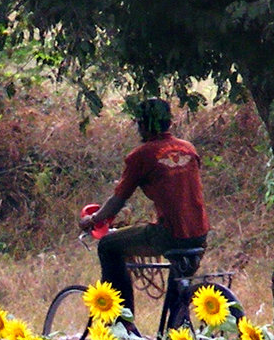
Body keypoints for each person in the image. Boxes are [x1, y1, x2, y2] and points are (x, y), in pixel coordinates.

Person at [79, 97, 210, 324]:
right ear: (169, 122)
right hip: (199, 234)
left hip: (170, 235)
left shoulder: (142, 156)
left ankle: (122, 323)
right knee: (178, 295)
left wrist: (93, 219)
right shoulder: (189, 149)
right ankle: (172, 335)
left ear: (142, 124)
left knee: (109, 246)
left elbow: (118, 200)